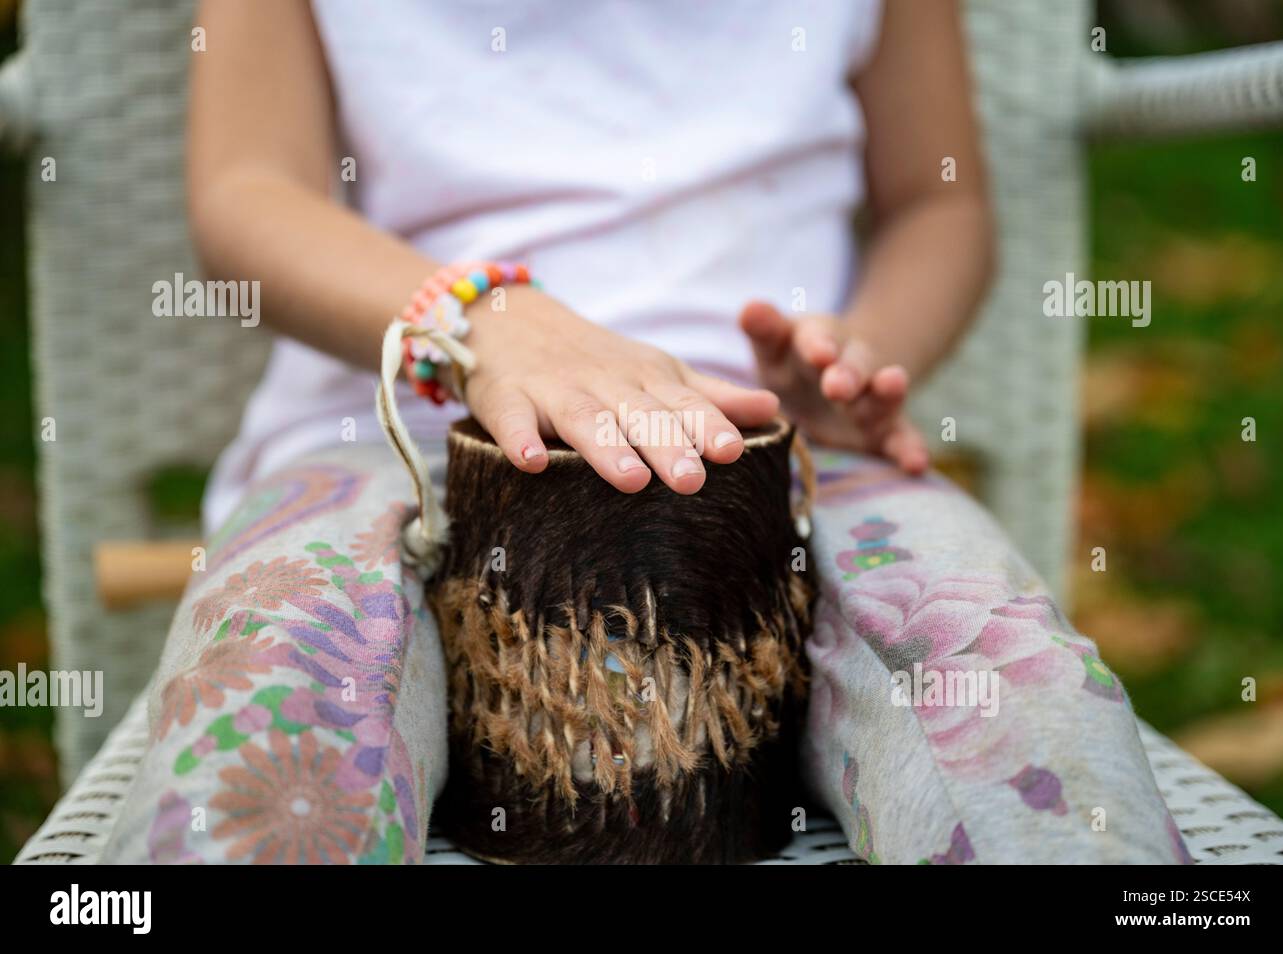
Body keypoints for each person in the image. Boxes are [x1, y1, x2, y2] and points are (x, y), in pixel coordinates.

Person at [102, 0, 1190, 864]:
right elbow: (247, 190)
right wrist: (483, 324)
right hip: (388, 437)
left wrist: (854, 353)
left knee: (1020, 716)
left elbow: (936, 199)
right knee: (269, 731)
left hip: (776, 450)